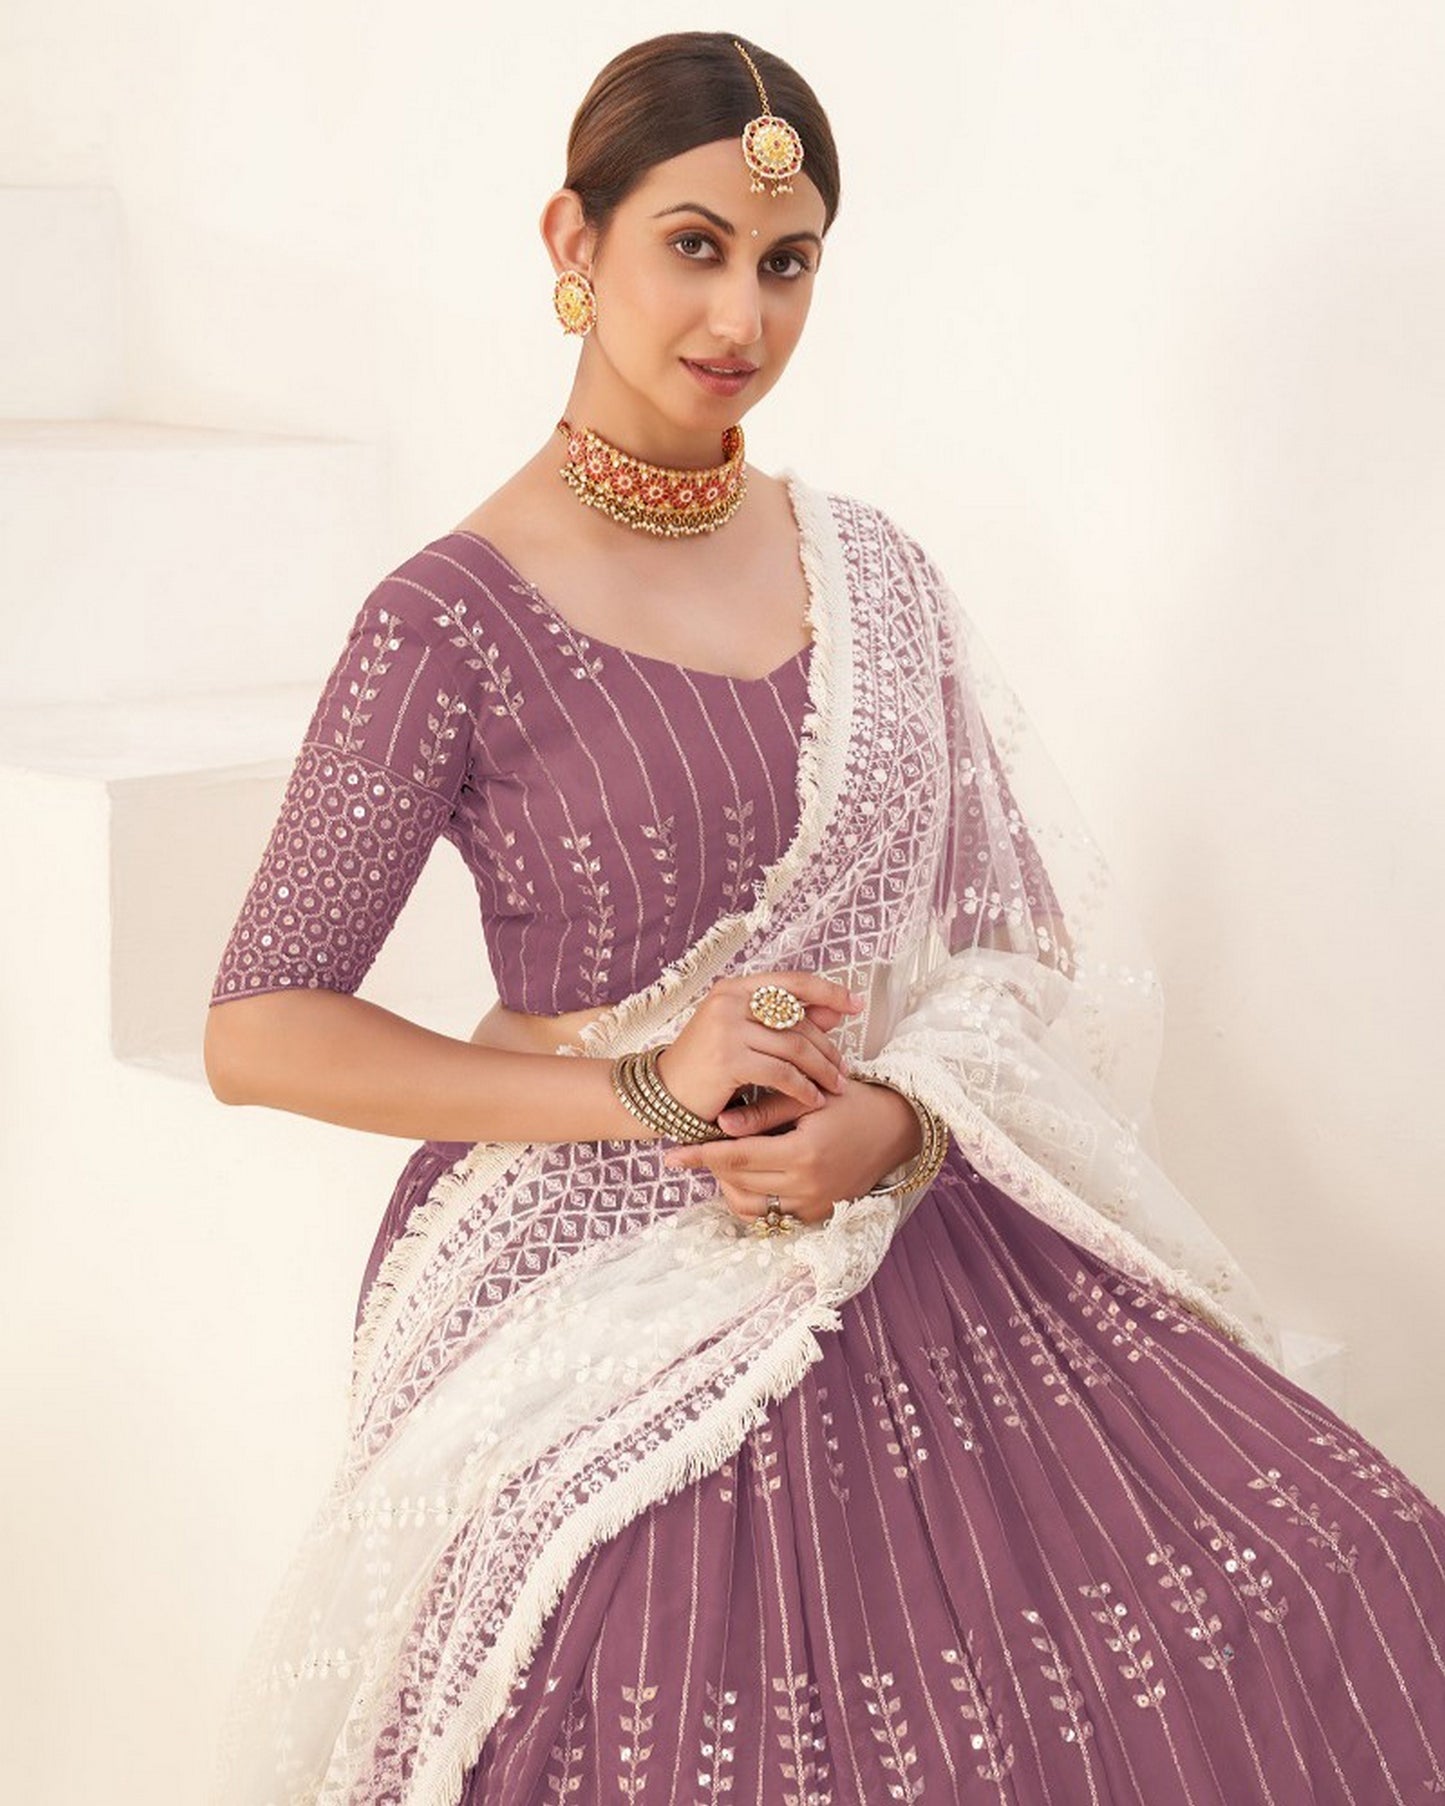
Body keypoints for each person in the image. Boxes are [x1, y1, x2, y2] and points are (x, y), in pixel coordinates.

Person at [202, 30, 1445, 1806]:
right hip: (600, 1253)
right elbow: (259, 1027)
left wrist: (901, 1121)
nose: (743, 316)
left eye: (786, 264)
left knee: (1353, 1560)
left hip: (909, 1200)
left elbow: (1006, 944)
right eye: (691, 244)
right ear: (574, 242)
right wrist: (646, 1089)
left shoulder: (866, 567)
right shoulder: (446, 625)